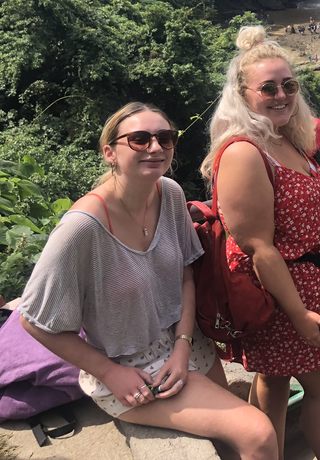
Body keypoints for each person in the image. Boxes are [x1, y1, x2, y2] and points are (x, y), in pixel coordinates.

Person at [19, 103, 277, 460]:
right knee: (258, 434)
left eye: (165, 138)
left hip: (189, 344)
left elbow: (186, 273)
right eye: (139, 139)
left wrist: (184, 344)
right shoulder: (82, 228)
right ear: (109, 151)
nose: (155, 148)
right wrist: (108, 372)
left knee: (231, 447)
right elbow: (32, 320)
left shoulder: (168, 192)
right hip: (132, 370)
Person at [204, 26, 320, 460]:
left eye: (289, 85)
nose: (282, 95)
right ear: (244, 95)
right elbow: (257, 247)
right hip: (287, 293)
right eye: (268, 88)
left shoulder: (287, 138)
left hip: (313, 281)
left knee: (274, 381)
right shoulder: (246, 152)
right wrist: (301, 315)